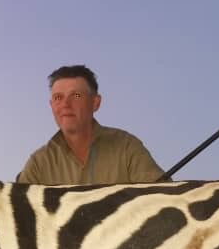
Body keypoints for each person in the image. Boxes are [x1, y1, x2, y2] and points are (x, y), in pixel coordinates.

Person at [17, 65, 167, 185]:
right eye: (58, 97)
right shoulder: (38, 163)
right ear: (51, 105)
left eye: (76, 95)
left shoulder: (126, 147)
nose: (65, 104)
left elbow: (162, 200)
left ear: (95, 102)